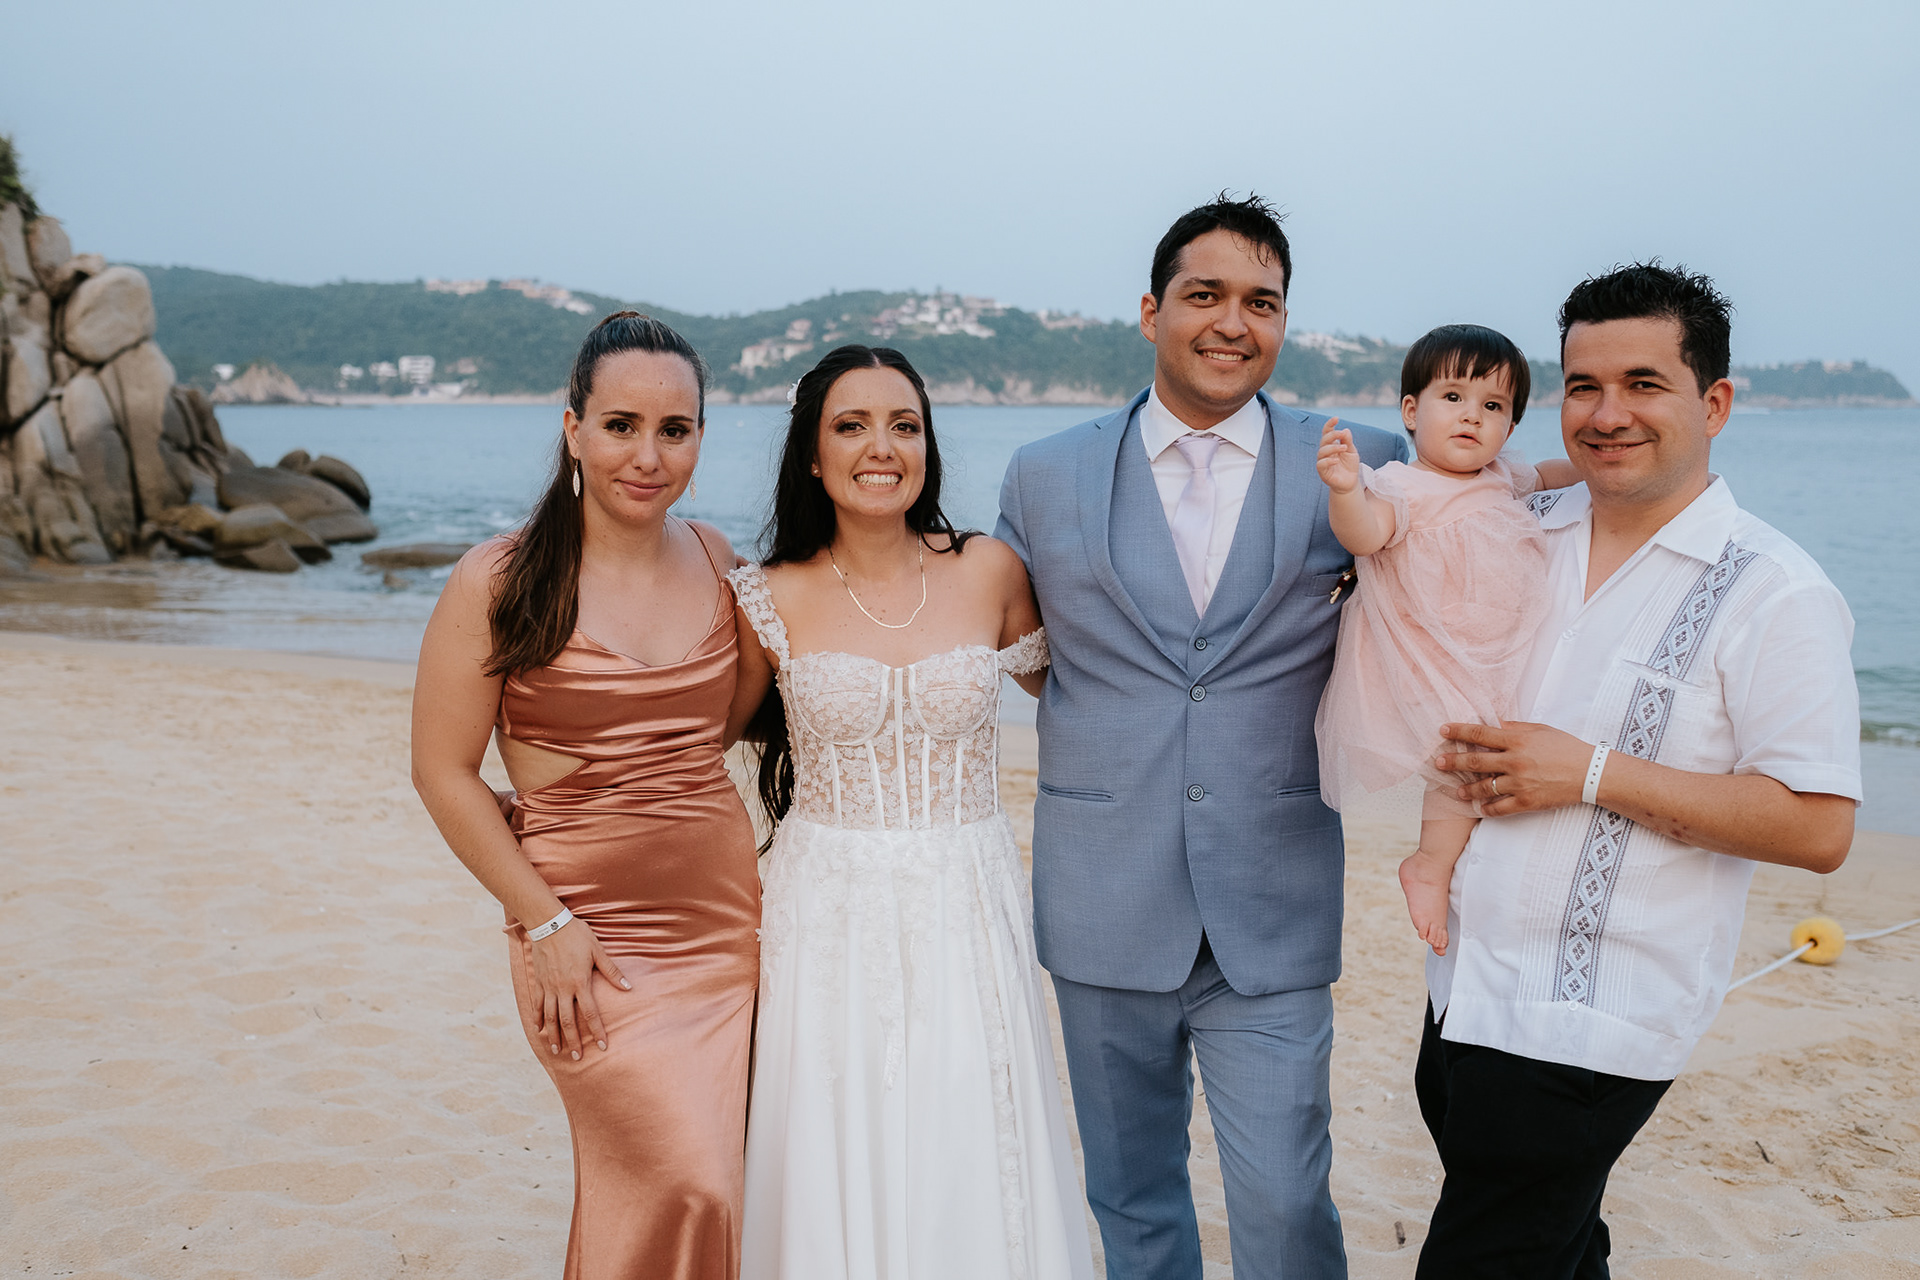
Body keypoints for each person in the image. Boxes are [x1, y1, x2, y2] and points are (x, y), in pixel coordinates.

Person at [1419, 263, 1861, 1277]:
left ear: (1715, 404)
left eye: (1643, 384)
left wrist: (1588, 772)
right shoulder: (1516, 532)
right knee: (1561, 1247)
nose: (1607, 413)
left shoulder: (1775, 591)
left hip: (1594, 1020)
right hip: (1462, 986)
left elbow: (1820, 826)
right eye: (1583, 386)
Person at [996, 194, 1408, 1279]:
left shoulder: (1364, 458)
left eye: (1262, 302)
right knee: (1131, 1200)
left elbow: (1477, 534)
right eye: (1206, 295)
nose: (1234, 322)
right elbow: (1000, 634)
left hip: (1272, 899)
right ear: (1152, 311)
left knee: (1284, 1198)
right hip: (1102, 892)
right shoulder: (1044, 471)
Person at [729, 345, 1095, 1280]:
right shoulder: (768, 594)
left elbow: (1092, 701)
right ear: (813, 457)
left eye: (904, 425)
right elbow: (691, 747)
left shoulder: (990, 569)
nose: (881, 447)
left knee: (969, 1122)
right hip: (824, 906)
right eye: (851, 426)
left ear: (928, 445)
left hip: (966, 896)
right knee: (830, 1124)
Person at [411, 312, 763, 1280]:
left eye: (675, 430)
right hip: (585, 937)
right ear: (572, 428)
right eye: (620, 426)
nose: (648, 456)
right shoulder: (498, 579)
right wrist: (545, 919)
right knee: (689, 1180)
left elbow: (718, 728)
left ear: (700, 438)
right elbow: (441, 771)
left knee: (709, 1183)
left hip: (727, 933)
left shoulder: (719, 560)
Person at [1315, 324, 1579, 955]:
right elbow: (1366, 535)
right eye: (1454, 398)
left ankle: (1443, 862)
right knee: (1459, 759)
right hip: (1428, 652)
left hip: (1493, 650)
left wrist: (1606, 466)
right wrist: (1346, 489)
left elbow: (1555, 474)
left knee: (1486, 752)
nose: (1472, 416)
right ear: (1412, 411)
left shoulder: (1503, 477)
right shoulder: (1402, 486)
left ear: (1509, 427)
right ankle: (1430, 864)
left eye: (1493, 406)